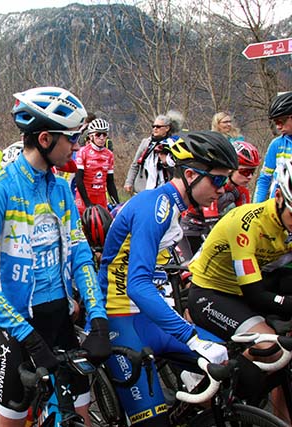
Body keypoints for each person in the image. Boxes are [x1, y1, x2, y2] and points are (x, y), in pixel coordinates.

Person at [0, 86, 111, 427]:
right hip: (19, 329)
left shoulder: (61, 188)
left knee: (79, 418)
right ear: (45, 139)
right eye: (71, 138)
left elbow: (80, 256)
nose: (76, 146)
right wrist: (28, 338)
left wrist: (98, 319)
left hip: (60, 319)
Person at [99, 131, 238, 426]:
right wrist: (190, 336)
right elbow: (137, 285)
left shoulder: (175, 207)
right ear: (190, 175)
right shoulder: (155, 208)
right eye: (218, 181)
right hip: (119, 319)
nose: (222, 190)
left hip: (149, 320)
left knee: (231, 362)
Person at [188, 159, 292, 422]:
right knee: (270, 346)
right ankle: (207, 393)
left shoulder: (285, 224)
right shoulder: (248, 223)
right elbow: (256, 295)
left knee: (284, 359)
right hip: (210, 293)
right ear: (279, 198)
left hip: (241, 292)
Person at [179, 141, 260, 260]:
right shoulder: (213, 185)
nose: (250, 177)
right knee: (191, 267)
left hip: (208, 228)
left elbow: (244, 220)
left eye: (252, 172)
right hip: (189, 228)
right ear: (231, 170)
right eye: (245, 172)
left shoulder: (241, 191)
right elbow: (212, 222)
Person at [123, 111, 184, 194]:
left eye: (158, 127)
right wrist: (129, 182)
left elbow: (178, 171)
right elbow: (135, 164)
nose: (155, 128)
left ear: (167, 128)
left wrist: (166, 163)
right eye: (154, 126)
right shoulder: (146, 143)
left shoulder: (173, 144)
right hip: (143, 188)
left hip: (164, 189)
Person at [74, 118, 119, 215]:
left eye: (104, 134)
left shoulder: (109, 155)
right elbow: (78, 180)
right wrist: (87, 203)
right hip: (84, 196)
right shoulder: (82, 152)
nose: (102, 138)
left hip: (101, 197)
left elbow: (110, 182)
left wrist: (117, 204)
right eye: (98, 134)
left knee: (102, 224)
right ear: (91, 136)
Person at [254, 91, 292, 202]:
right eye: (275, 122)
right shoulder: (276, 144)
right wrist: (256, 207)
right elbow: (264, 179)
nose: (278, 127)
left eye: (281, 121)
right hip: (278, 206)